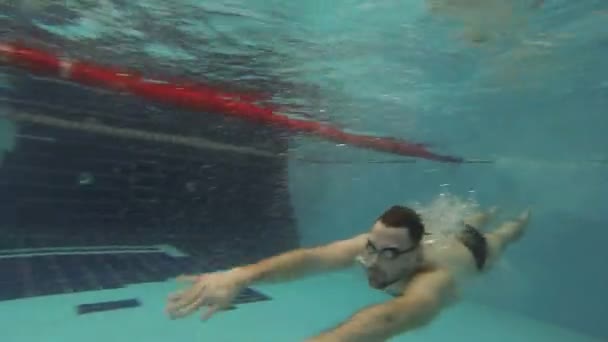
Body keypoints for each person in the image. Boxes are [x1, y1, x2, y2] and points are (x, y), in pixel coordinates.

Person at [165, 203, 530, 341]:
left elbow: (392, 316)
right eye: (371, 247)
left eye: (387, 253)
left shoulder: (433, 280)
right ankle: (481, 213)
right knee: (468, 219)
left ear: (414, 257)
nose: (372, 261)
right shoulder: (372, 248)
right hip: (438, 237)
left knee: (499, 236)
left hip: (472, 252)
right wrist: (241, 275)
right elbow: (311, 258)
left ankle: (517, 218)